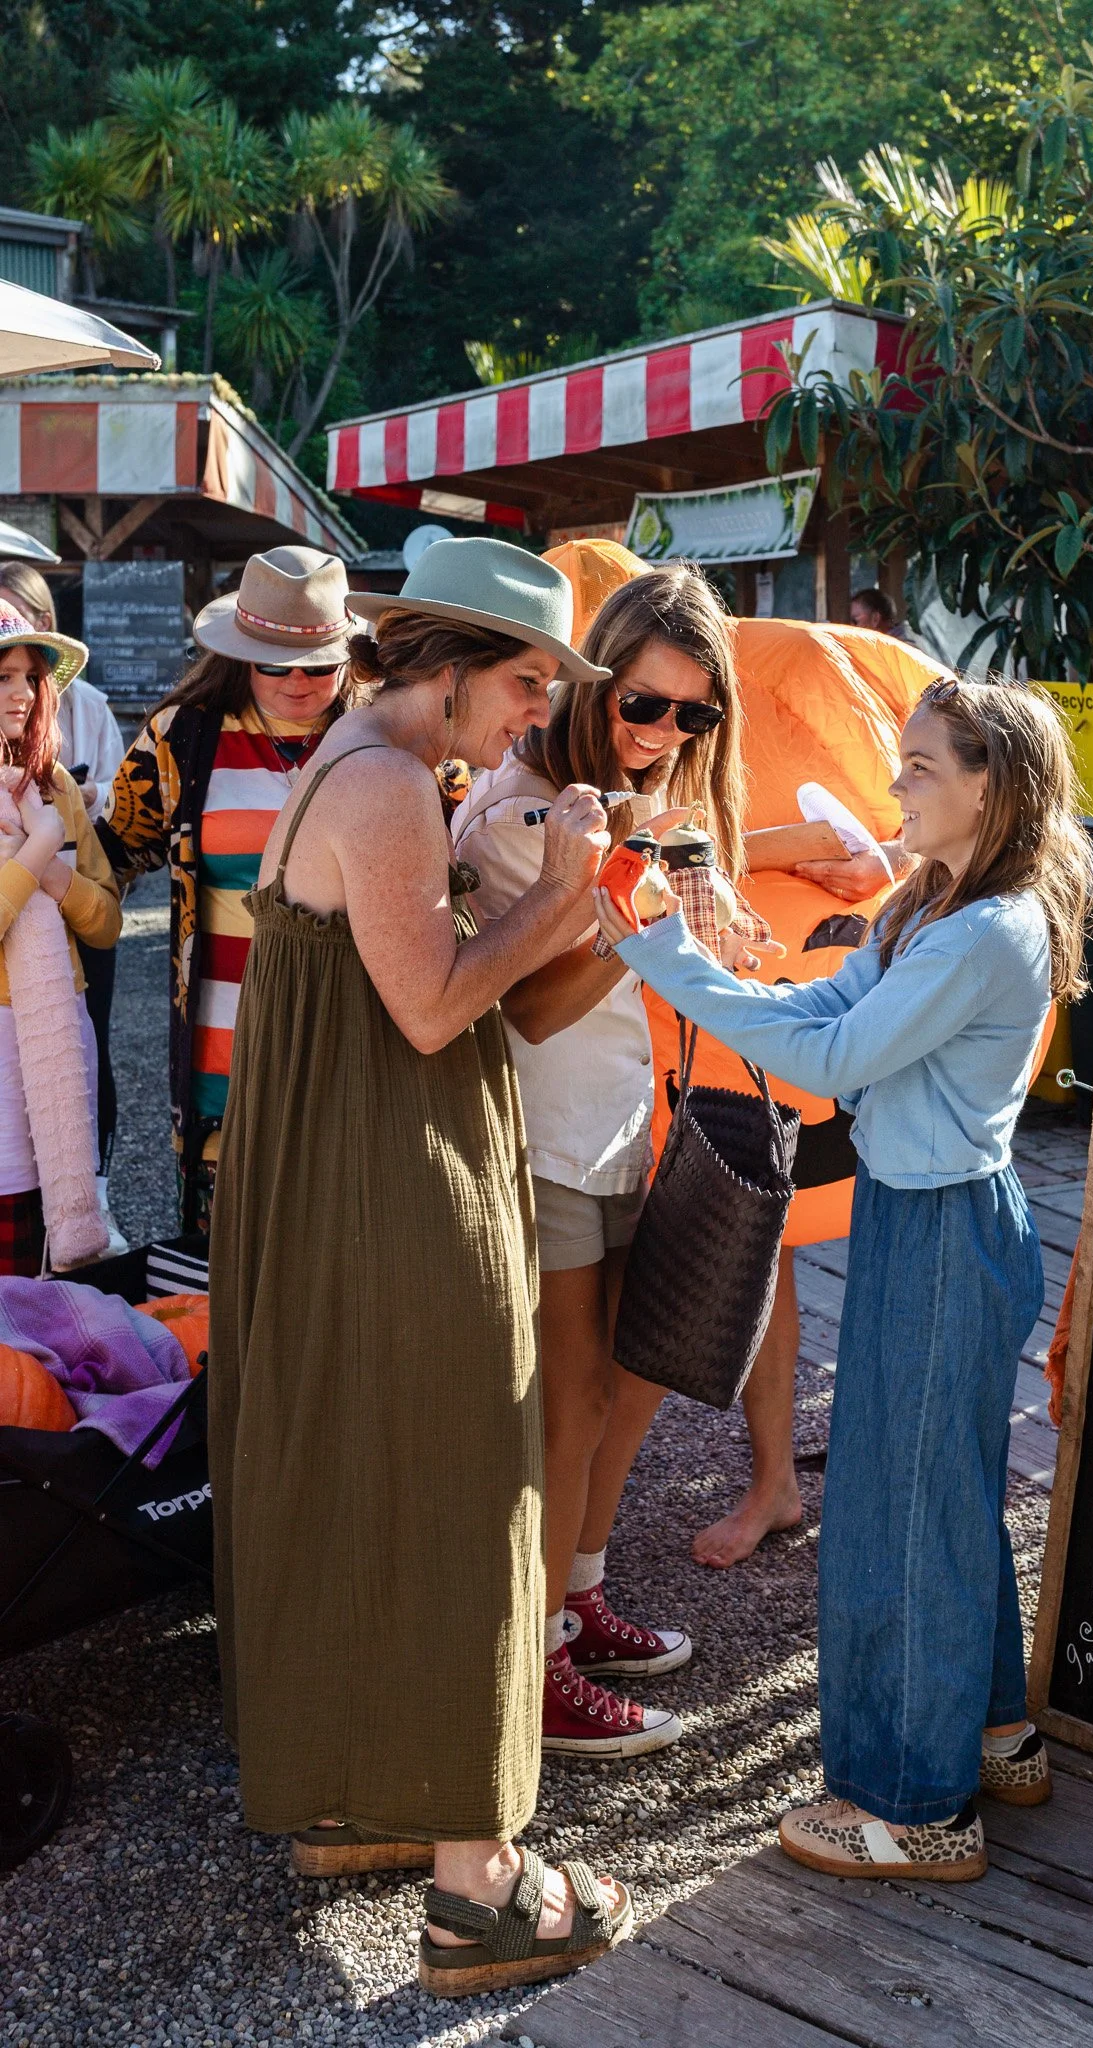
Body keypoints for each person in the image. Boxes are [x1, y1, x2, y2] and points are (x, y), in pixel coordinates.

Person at [209, 537, 631, 1995]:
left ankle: (349, 1797)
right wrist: (565, 894)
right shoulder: (388, 786)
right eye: (524, 684)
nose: (535, 714)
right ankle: (479, 1887)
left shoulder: (364, 764)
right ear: (447, 668)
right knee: (465, 1485)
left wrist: (584, 914)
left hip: (347, 1170)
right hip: (389, 1182)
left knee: (349, 1470)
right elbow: (442, 1007)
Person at [596, 676, 1093, 1880]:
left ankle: (914, 1803)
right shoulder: (938, 899)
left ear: (991, 783)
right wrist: (711, 954)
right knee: (945, 1492)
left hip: (936, 1227)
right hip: (937, 1216)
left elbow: (834, 1053)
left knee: (897, 1511)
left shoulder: (983, 925)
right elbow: (823, 1003)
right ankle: (992, 1733)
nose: (893, 785)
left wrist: (660, 951)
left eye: (920, 764)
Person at [453, 563, 751, 1755]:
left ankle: (576, 1595)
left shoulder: (637, 800)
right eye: (644, 705)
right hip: (539, 1137)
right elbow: (522, 1011)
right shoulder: (517, 808)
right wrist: (652, 934)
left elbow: (672, 943)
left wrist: (703, 920)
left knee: (624, 1384)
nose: (665, 733)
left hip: (622, 1126)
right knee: (564, 1405)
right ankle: (535, 1664)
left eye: (694, 714)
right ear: (588, 685)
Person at [99, 547, 354, 1234]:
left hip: (352, 1051)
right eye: (274, 663)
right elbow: (114, 853)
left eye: (320, 664)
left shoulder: (389, 736)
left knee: (338, 1263)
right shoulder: (182, 736)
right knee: (228, 1268)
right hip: (221, 1054)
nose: (298, 682)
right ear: (240, 653)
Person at [0, 562, 127, 1242]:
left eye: (28, 677)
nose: (20, 693)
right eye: (2, 677)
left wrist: (57, 878)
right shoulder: (51, 810)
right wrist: (35, 856)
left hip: (57, 1029)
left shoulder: (57, 791)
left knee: (46, 1255)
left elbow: (107, 925)